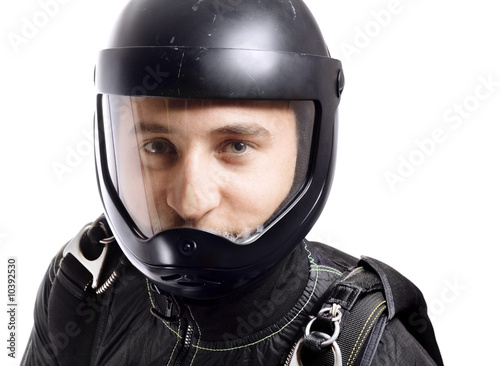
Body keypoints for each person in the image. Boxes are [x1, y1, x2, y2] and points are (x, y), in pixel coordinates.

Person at [22, 0, 443, 365]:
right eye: (156, 146)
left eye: (236, 146)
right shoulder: (84, 282)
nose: (190, 201)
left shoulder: (360, 347)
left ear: (306, 151)